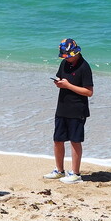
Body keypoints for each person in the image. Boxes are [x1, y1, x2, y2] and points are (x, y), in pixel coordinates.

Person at [43, 38, 94, 184]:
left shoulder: (84, 67)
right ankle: (59, 171)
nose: (68, 59)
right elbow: (62, 80)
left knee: (75, 141)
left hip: (78, 109)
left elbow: (89, 92)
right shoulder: (64, 63)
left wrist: (68, 86)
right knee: (58, 139)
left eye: (69, 56)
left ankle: (76, 174)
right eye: (66, 56)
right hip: (62, 107)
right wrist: (59, 83)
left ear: (76, 52)